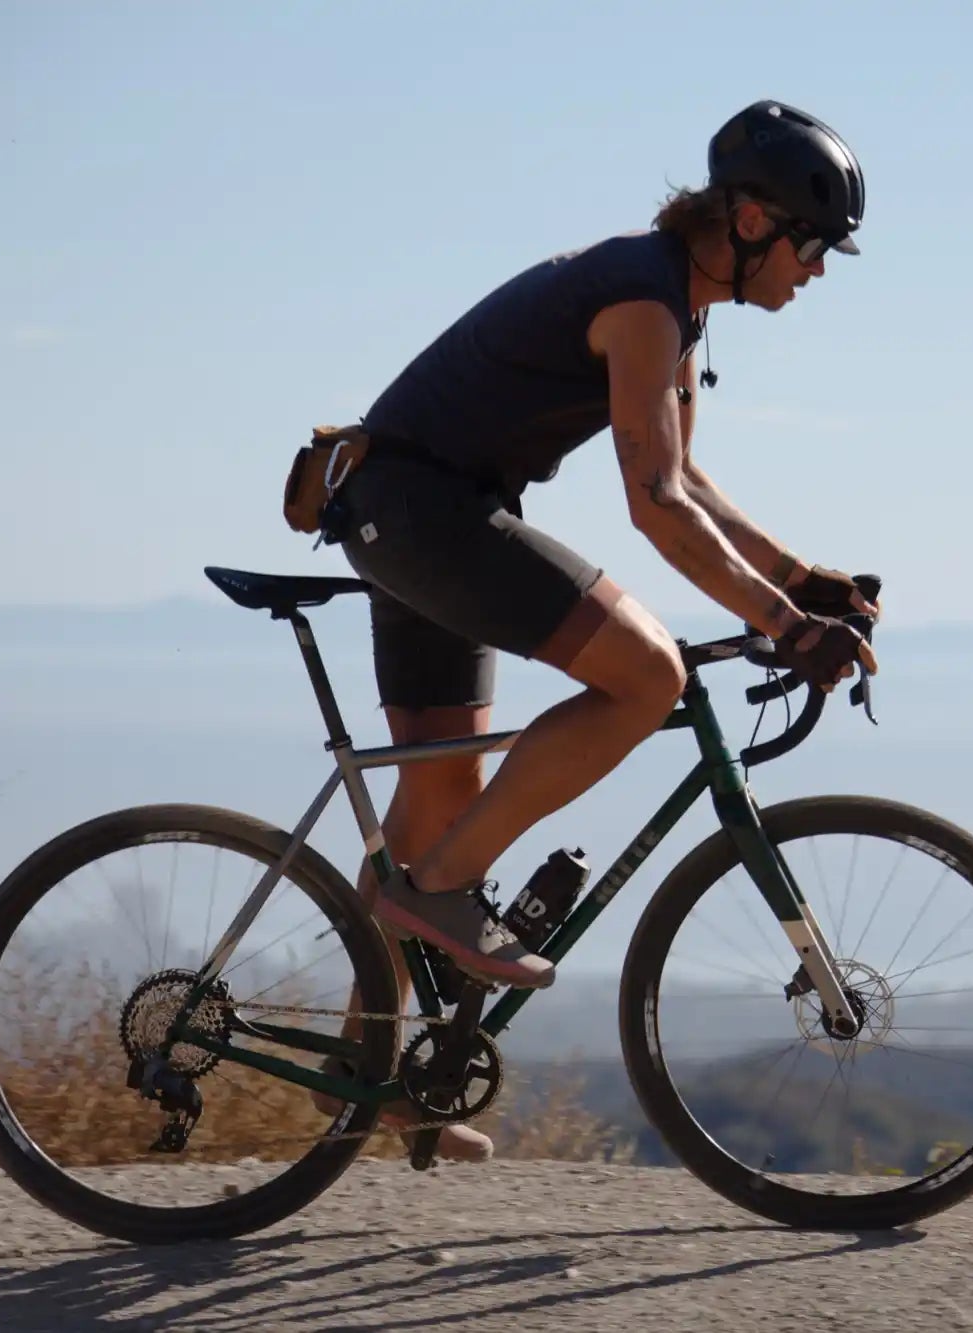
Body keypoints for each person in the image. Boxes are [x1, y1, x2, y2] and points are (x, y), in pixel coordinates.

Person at [310, 101, 881, 1161]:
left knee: (437, 798)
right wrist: (780, 623)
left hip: (413, 508)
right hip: (424, 512)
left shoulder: (675, 309)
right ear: (751, 221)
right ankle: (435, 893)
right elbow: (653, 498)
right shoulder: (643, 299)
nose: (815, 270)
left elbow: (692, 481)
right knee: (646, 674)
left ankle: (367, 1077)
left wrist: (804, 582)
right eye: (809, 245)